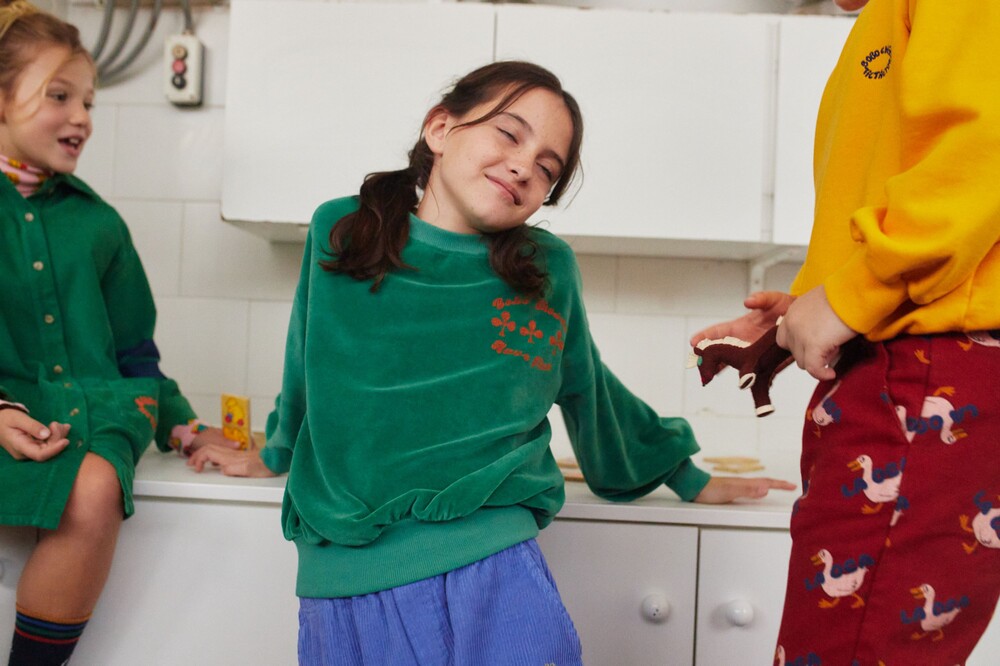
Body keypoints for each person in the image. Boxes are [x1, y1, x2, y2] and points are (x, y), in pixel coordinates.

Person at [188, 59, 795, 664]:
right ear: (440, 129)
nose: (524, 166)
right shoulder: (342, 231)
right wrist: (275, 452)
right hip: (343, 575)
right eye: (509, 133)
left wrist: (687, 477)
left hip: (497, 570)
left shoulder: (546, 269)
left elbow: (587, 386)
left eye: (547, 168)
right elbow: (306, 357)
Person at [693, 0, 1000, 663]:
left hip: (926, 372)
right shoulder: (882, 19)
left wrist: (851, 298)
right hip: (913, 366)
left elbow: (982, 151)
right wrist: (810, 308)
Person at [0, 3, 239, 664]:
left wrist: (184, 427)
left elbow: (136, 351)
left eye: (89, 102)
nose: (81, 117)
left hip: (91, 413)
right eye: (59, 96)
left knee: (96, 486)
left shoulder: (100, 224)